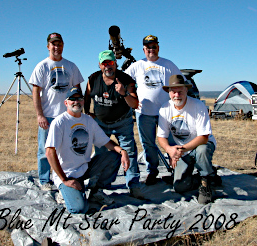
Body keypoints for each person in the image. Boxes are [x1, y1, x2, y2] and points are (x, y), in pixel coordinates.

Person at [45, 87, 130, 214]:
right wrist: (64, 180)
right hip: (67, 173)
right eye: (72, 99)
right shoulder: (59, 122)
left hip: (84, 168)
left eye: (79, 98)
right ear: (66, 102)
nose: (76, 101)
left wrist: (122, 151)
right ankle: (64, 191)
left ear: (83, 101)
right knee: (79, 209)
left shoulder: (88, 120)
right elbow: (49, 152)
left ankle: (97, 192)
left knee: (114, 156)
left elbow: (106, 142)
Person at [84, 50, 144, 199]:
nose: (108, 66)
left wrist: (124, 93)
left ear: (115, 63)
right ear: (99, 65)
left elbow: (135, 104)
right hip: (101, 124)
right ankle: (99, 185)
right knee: (101, 155)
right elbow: (87, 96)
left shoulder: (125, 79)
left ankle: (133, 185)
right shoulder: (93, 79)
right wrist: (87, 112)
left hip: (122, 123)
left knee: (129, 152)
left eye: (110, 62)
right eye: (104, 63)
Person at [125, 35, 184, 185]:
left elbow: (181, 82)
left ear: (158, 47)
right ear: (144, 49)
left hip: (167, 113)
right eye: (148, 47)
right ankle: (152, 172)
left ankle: (177, 172)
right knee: (148, 144)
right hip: (144, 113)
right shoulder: (137, 65)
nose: (151, 50)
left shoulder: (168, 64)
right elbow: (122, 79)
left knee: (172, 142)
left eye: (153, 47)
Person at [29, 33, 84, 191]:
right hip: (48, 116)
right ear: (48, 46)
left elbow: (77, 90)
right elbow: (35, 91)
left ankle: (66, 177)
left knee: (67, 149)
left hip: (67, 116)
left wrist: (80, 112)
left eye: (59, 44)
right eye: (53, 44)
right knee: (45, 150)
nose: (56, 47)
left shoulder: (71, 66)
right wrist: (40, 115)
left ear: (63, 45)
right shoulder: (42, 66)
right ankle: (45, 179)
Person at [157, 74, 220, 204]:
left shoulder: (198, 106)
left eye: (180, 91)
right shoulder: (164, 109)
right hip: (182, 149)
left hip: (199, 145)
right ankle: (208, 175)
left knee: (202, 150)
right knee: (179, 187)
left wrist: (180, 150)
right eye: (173, 91)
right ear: (169, 93)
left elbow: (203, 137)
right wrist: (170, 150)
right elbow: (161, 137)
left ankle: (205, 182)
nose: (177, 95)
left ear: (186, 90)